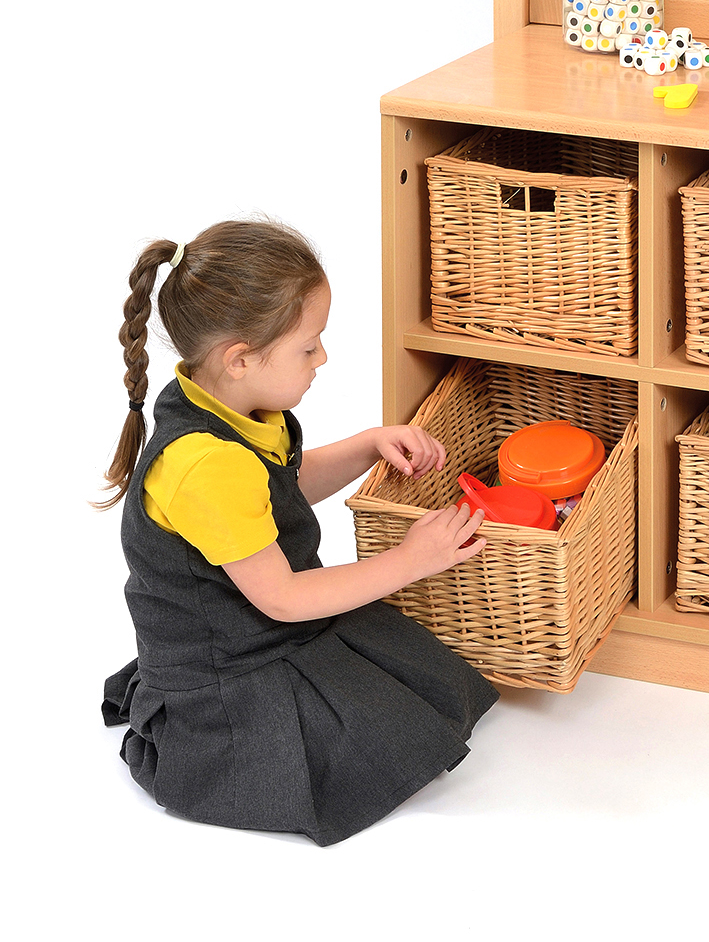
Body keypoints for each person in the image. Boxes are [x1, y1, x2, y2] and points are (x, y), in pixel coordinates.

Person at [100, 218, 497, 845]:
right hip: (236, 664)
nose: (322, 359)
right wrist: (412, 559)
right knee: (381, 743)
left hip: (264, 624)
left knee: (411, 679)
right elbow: (283, 598)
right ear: (240, 360)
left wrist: (368, 444)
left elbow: (280, 490)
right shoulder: (205, 463)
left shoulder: (233, 405)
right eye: (308, 347)